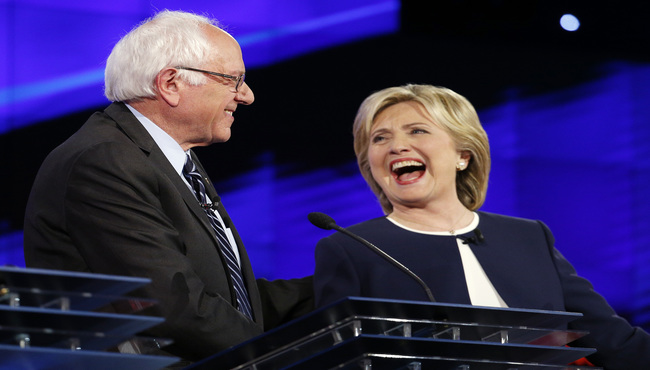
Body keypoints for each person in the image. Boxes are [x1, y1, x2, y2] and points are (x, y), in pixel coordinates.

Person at [23, 10, 313, 364]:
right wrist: (277, 358)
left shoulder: (168, 158)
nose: (247, 95)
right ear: (171, 84)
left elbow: (226, 297)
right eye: (233, 79)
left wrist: (348, 277)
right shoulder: (105, 161)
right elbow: (175, 305)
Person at [313, 84, 650, 368]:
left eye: (417, 130)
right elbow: (339, 359)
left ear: (463, 155)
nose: (397, 146)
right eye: (379, 138)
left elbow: (613, 340)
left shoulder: (529, 236)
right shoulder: (351, 248)